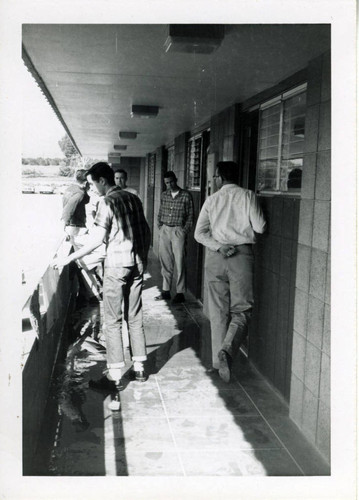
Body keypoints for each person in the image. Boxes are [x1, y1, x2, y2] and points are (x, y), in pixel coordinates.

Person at [53, 162, 151, 400]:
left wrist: (69, 258)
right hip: (137, 264)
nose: (92, 188)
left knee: (113, 319)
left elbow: (97, 240)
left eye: (93, 183)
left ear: (103, 181)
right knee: (135, 316)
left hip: (117, 266)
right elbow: (146, 231)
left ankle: (115, 376)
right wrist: (142, 259)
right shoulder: (133, 199)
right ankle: (139, 369)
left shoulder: (106, 202)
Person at [194, 161, 266, 383]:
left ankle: (217, 363)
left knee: (217, 311)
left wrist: (219, 246)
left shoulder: (212, 199)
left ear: (219, 177)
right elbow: (260, 227)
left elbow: (199, 233)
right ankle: (227, 350)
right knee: (242, 309)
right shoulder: (248, 196)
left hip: (216, 257)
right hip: (241, 257)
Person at [156, 171, 194, 304]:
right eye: (167, 182)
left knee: (180, 261)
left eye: (171, 182)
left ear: (176, 180)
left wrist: (184, 231)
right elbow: (160, 211)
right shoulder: (164, 195)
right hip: (165, 229)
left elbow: (190, 215)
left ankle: (180, 292)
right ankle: (166, 290)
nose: (169, 185)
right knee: (165, 261)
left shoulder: (186, 195)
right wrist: (160, 226)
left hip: (178, 230)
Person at [61, 169, 90, 239]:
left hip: (71, 223)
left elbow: (86, 200)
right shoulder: (80, 193)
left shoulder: (70, 189)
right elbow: (69, 207)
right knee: (77, 246)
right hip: (76, 224)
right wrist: (66, 222)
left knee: (73, 245)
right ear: (86, 182)